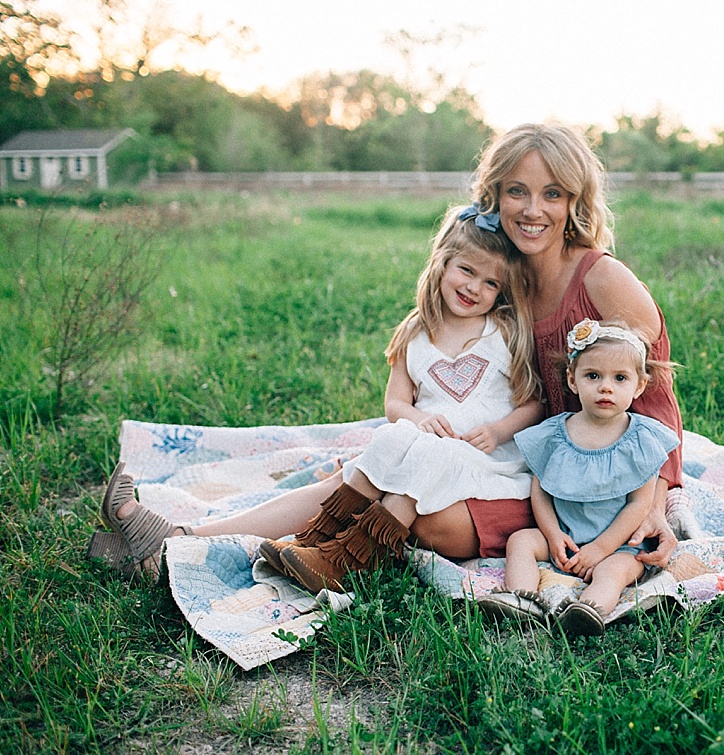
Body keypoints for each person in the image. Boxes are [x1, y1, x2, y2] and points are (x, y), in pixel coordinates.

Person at [93, 122, 684, 582]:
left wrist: (654, 503)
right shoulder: (501, 281)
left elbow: (655, 408)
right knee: (379, 465)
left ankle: (318, 555)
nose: (533, 209)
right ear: (494, 198)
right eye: (516, 192)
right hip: (514, 457)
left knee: (425, 514)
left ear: (575, 200)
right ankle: (180, 536)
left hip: (581, 479)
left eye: (552, 193)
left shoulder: (604, 281)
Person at [92, 205, 541, 583]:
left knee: (408, 458)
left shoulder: (502, 333)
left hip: (481, 464)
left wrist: (499, 430)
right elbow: (395, 404)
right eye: (466, 271)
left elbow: (533, 401)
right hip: (422, 449)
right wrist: (416, 419)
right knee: (385, 450)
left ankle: (329, 558)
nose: (474, 288)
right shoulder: (417, 332)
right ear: (442, 263)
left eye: (491, 284)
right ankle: (173, 542)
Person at [479, 320, 679, 636]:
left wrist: (600, 549)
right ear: (573, 380)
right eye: (593, 376)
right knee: (521, 541)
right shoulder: (555, 435)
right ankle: (521, 600)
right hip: (567, 536)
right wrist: (553, 534)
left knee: (614, 572)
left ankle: (587, 611)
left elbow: (638, 505)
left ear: (639, 386)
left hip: (620, 543)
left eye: (620, 378)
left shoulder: (642, 439)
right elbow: (541, 491)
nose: (606, 387)